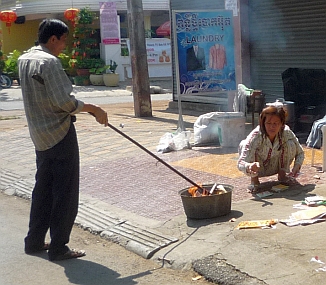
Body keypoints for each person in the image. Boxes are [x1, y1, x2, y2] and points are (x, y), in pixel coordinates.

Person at [18, 19, 108, 261]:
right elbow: (66, 103)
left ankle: (34, 241)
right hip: (59, 134)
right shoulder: (49, 62)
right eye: (63, 40)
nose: (64, 46)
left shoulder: (24, 59)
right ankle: (59, 247)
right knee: (65, 194)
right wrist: (94, 108)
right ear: (53, 39)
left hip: (39, 135)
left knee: (43, 189)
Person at [237, 105, 304, 191]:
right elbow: (240, 162)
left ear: (281, 124)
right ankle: (254, 181)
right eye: (268, 123)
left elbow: (300, 152)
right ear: (263, 123)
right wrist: (249, 166)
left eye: (276, 123)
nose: (272, 127)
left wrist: (296, 167)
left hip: (276, 166)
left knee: (290, 143)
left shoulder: (286, 132)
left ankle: (282, 175)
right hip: (258, 169)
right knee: (243, 144)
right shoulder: (255, 136)